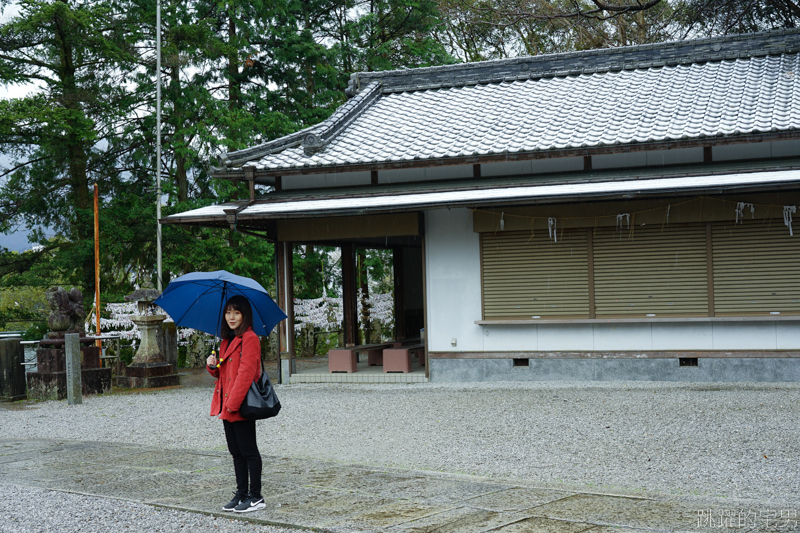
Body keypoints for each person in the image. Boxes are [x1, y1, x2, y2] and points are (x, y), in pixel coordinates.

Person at [206, 295, 266, 513]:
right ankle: (242, 494)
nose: (231, 317)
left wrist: (233, 404)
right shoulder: (226, 340)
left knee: (249, 450)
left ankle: (256, 496)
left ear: (244, 315)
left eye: (236, 312)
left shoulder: (250, 338)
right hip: (226, 404)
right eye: (228, 312)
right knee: (235, 451)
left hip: (240, 404)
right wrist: (213, 366)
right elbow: (224, 374)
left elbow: (246, 374)